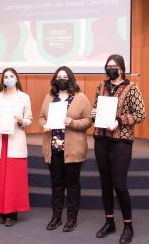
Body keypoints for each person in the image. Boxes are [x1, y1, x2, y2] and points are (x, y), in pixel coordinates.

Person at [92, 54, 145, 244]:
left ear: (121, 68)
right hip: (101, 139)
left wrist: (120, 121)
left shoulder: (131, 88)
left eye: (114, 66)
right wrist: (94, 114)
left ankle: (128, 226)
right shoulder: (101, 86)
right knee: (105, 184)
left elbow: (140, 113)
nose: (110, 68)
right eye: (108, 65)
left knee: (120, 186)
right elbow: (96, 108)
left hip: (121, 141)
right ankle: (109, 222)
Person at [39, 66, 92, 232]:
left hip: (73, 150)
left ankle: (72, 218)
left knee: (72, 184)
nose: (61, 79)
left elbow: (88, 120)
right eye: (58, 76)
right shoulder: (49, 97)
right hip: (53, 147)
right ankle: (56, 217)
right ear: (55, 79)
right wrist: (44, 125)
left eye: (64, 76)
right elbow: (41, 117)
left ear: (70, 79)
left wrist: (73, 122)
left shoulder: (80, 97)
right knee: (56, 183)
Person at [0, 67, 32, 227]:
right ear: (2, 80)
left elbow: (29, 120)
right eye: (6, 76)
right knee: (0, 178)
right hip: (0, 141)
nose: (8, 78)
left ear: (17, 78)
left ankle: (12, 212)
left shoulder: (24, 97)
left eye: (11, 76)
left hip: (15, 140)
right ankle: (1, 209)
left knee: (13, 180)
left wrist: (22, 121)